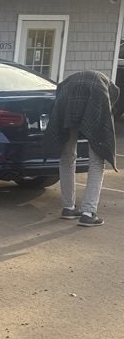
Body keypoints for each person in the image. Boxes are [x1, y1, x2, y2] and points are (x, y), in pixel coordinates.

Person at [45, 70, 119, 227]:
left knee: (67, 158)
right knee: (97, 161)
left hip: (68, 102)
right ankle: (88, 212)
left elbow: (59, 92)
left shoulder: (68, 82)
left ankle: (68, 208)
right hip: (92, 97)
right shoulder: (106, 89)